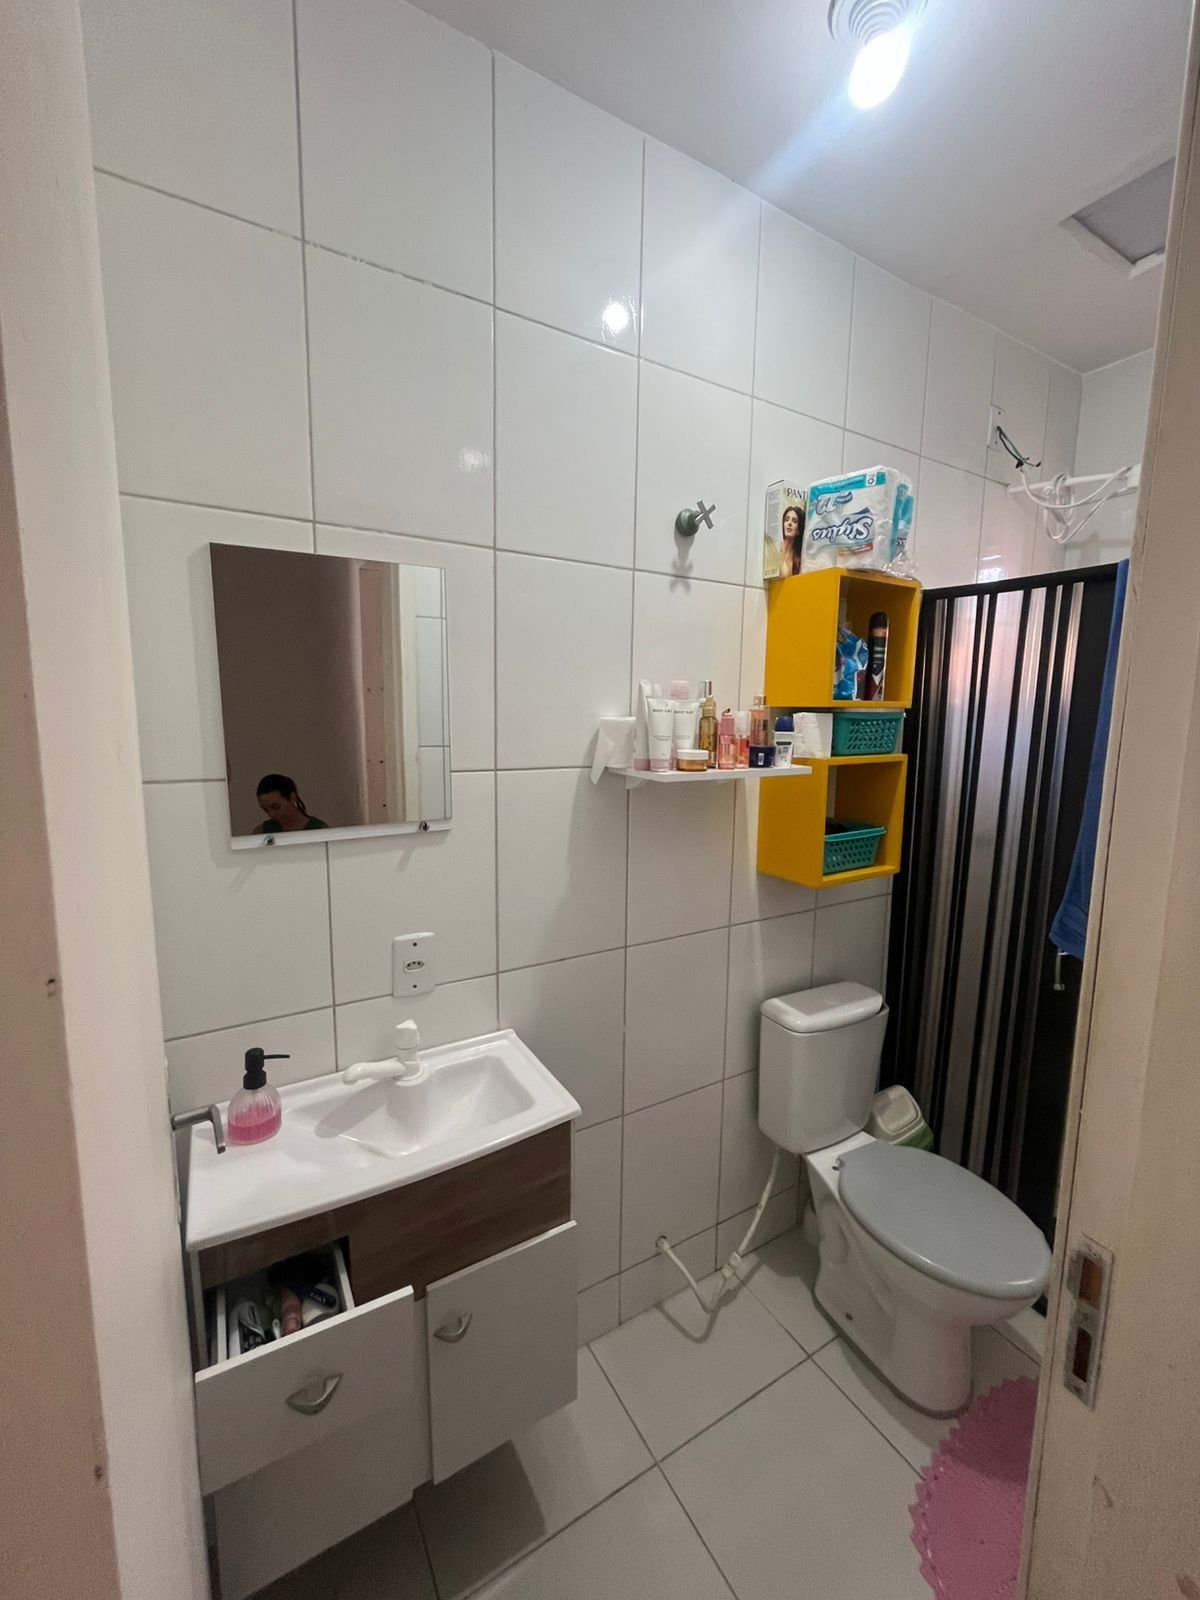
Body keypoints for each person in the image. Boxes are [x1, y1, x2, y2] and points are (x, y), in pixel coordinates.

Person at [254, 774, 328, 833]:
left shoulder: (319, 830)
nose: (271, 815)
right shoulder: (262, 831)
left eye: (276, 807)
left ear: (292, 798)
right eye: (265, 810)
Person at [781, 503, 805, 575]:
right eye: (787, 519)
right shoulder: (775, 549)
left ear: (798, 529)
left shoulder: (799, 559)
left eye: (794, 521)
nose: (789, 523)